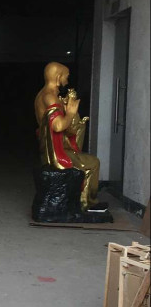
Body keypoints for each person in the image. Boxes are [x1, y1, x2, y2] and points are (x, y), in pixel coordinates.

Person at [35, 62, 101, 211]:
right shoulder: (50, 97)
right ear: (58, 76)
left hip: (52, 147)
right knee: (93, 163)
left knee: (87, 158)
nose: (67, 80)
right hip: (55, 152)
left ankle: (84, 201)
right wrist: (70, 113)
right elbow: (57, 126)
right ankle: (87, 203)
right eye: (66, 76)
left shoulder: (44, 94)